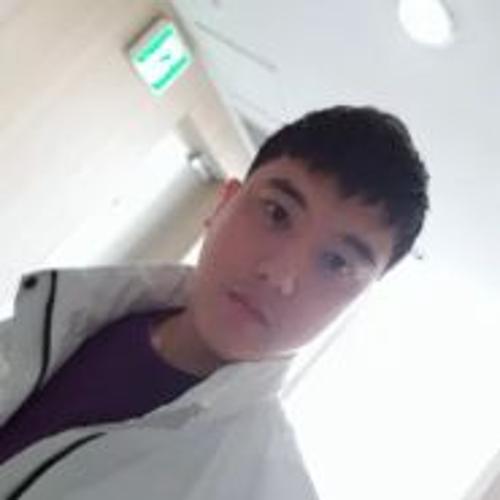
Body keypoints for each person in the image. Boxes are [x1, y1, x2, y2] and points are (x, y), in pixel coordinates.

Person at [0, 105, 429, 499]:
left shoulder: (262, 487)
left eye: (337, 263)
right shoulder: (65, 315)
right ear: (224, 204)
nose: (280, 275)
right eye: (277, 213)